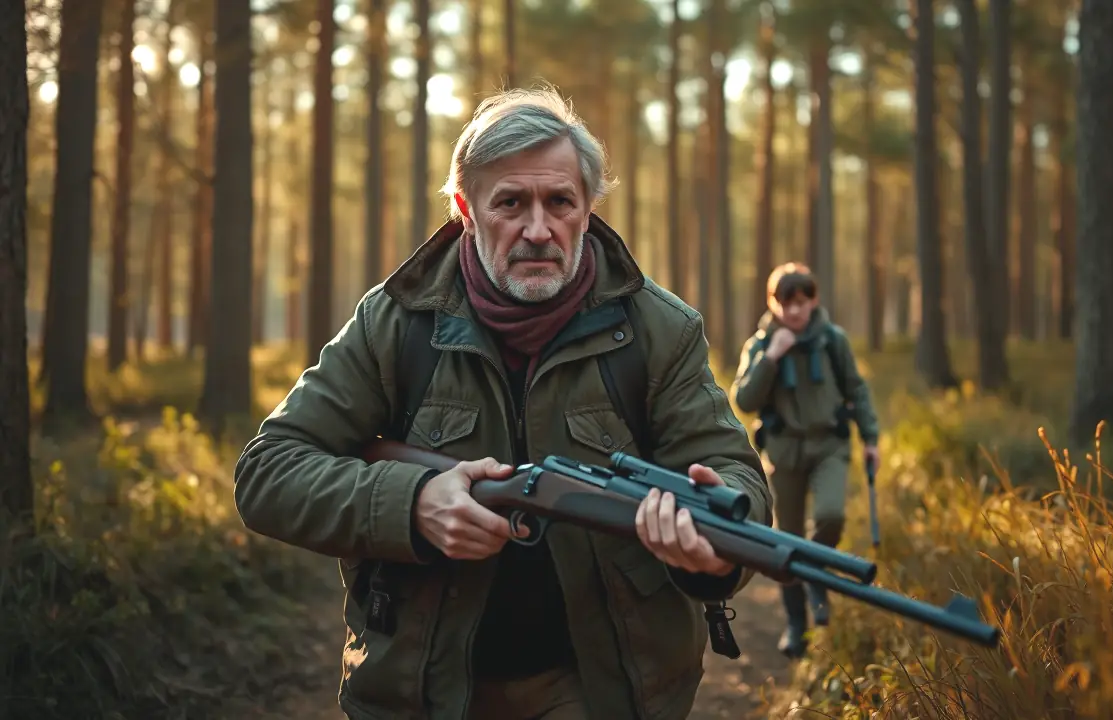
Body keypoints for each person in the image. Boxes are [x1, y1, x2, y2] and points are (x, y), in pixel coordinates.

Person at [232, 87, 771, 720]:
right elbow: (267, 471)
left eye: (559, 202)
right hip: (423, 695)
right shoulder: (394, 323)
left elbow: (739, 483)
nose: (538, 229)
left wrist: (710, 549)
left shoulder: (660, 329)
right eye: (510, 203)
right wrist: (414, 504)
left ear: (587, 207)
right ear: (464, 207)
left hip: (598, 691)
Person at [729, 262, 880, 659]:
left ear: (814, 301)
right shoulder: (761, 345)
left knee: (831, 516)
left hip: (829, 446)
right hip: (784, 453)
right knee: (787, 543)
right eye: (786, 303)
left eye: (801, 302)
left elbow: (856, 389)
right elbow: (743, 401)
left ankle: (817, 577)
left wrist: (871, 438)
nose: (794, 311)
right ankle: (797, 626)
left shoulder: (832, 340)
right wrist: (770, 359)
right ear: (773, 304)